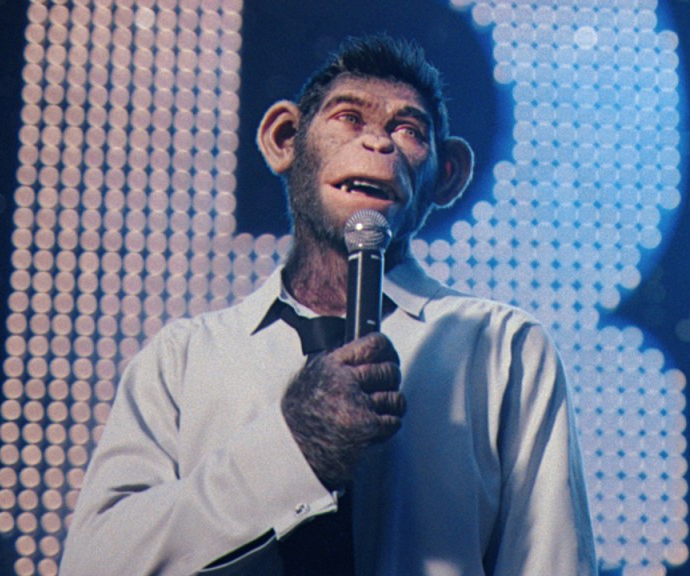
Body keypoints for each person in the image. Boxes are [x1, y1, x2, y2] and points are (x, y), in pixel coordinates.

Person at [61, 35, 597, 575]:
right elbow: (92, 564)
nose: (379, 143)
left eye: (409, 130)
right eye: (349, 117)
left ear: (447, 175)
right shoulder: (183, 358)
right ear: (284, 140)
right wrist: (292, 445)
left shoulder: (503, 347)